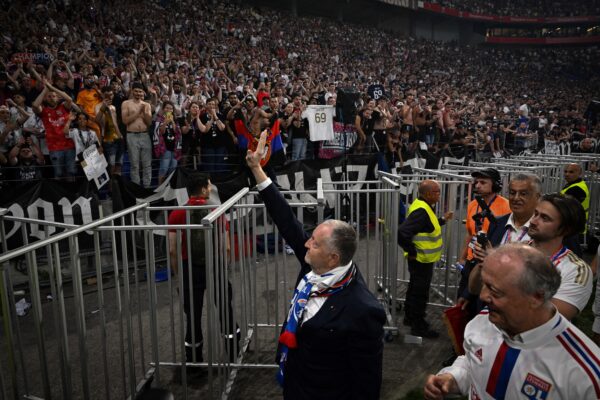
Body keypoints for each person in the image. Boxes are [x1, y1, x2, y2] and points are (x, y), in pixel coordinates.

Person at [246, 131, 385, 400]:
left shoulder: (363, 309)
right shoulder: (314, 265)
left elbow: (368, 381)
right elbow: (286, 218)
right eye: (310, 239)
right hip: (293, 382)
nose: (306, 245)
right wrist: (256, 169)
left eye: (315, 243)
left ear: (333, 258)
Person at [424, 244, 600, 400]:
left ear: (537, 297)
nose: (484, 296)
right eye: (485, 284)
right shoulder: (482, 323)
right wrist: (452, 378)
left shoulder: (586, 376)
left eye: (495, 290)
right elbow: (474, 363)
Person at [167, 172, 237, 370]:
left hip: (190, 269)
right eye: (209, 185)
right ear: (205, 189)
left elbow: (172, 249)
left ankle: (194, 359)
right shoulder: (216, 211)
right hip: (214, 266)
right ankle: (233, 353)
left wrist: (178, 275)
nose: (211, 187)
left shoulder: (177, 213)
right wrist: (224, 268)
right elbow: (227, 247)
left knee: (193, 316)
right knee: (225, 310)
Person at [398, 180, 454, 338]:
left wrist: (442, 219)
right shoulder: (422, 210)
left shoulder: (422, 205)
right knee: (420, 293)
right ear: (428, 194)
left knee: (415, 288)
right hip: (421, 259)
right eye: (437, 192)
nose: (439, 195)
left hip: (421, 259)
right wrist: (412, 251)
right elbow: (402, 232)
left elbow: (426, 225)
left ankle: (410, 318)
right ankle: (418, 326)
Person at [527, 193, 592, 320]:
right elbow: (478, 291)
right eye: (535, 214)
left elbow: (548, 319)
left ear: (565, 230)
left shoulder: (577, 270)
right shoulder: (514, 250)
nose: (533, 221)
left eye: (545, 218)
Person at [457, 168, 510, 311]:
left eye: (483, 182)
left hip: (490, 263)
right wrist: (463, 257)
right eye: (477, 182)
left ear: (496, 185)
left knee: (480, 304)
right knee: (462, 302)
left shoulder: (506, 206)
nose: (478, 185)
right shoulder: (473, 205)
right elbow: (470, 233)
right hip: (471, 260)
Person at [485, 174, 542, 247]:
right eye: (512, 193)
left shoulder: (544, 229)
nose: (516, 198)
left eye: (523, 194)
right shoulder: (496, 223)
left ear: (537, 197)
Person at [122, 82, 153, 187]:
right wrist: (138, 111)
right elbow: (125, 121)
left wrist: (144, 113)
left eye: (140, 91)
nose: (138, 93)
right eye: (136, 91)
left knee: (147, 164)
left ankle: (147, 188)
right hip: (132, 135)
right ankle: (136, 188)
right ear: (132, 91)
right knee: (134, 164)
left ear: (143, 92)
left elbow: (149, 123)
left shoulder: (147, 105)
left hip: (145, 135)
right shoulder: (126, 103)